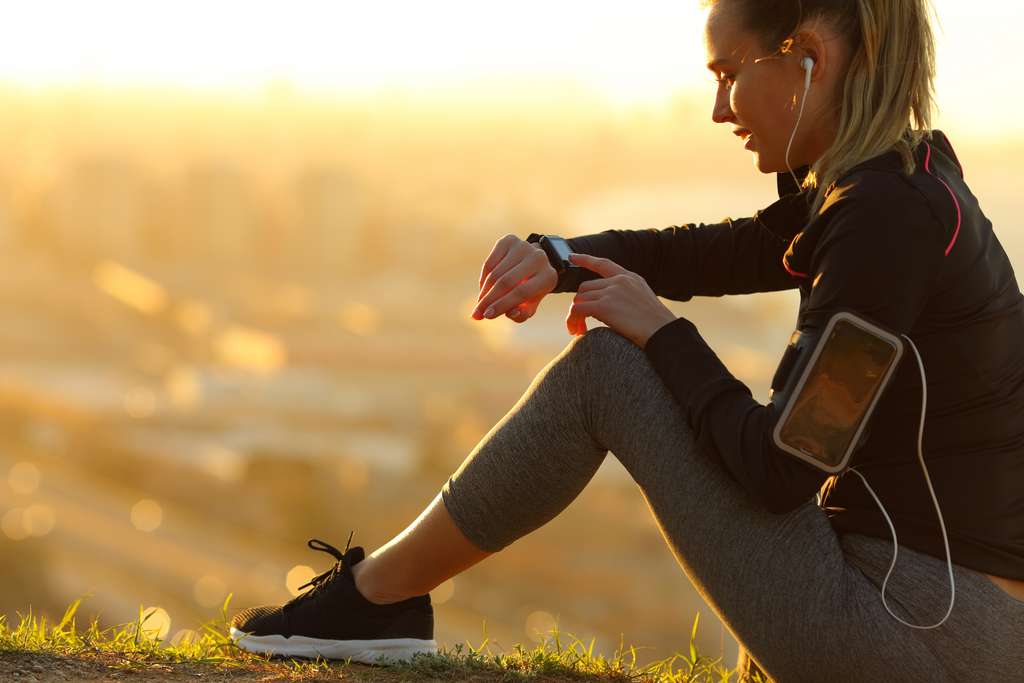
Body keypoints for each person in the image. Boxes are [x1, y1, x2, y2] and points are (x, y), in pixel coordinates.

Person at [228, 0, 1024, 680]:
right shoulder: (898, 186)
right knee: (622, 354)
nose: (719, 109)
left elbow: (783, 466)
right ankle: (379, 598)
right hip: (942, 615)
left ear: (807, 56)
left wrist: (661, 331)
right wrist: (560, 258)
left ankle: (375, 600)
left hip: (927, 630)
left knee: (607, 370)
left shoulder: (883, 220)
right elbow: (714, 250)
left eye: (726, 72)